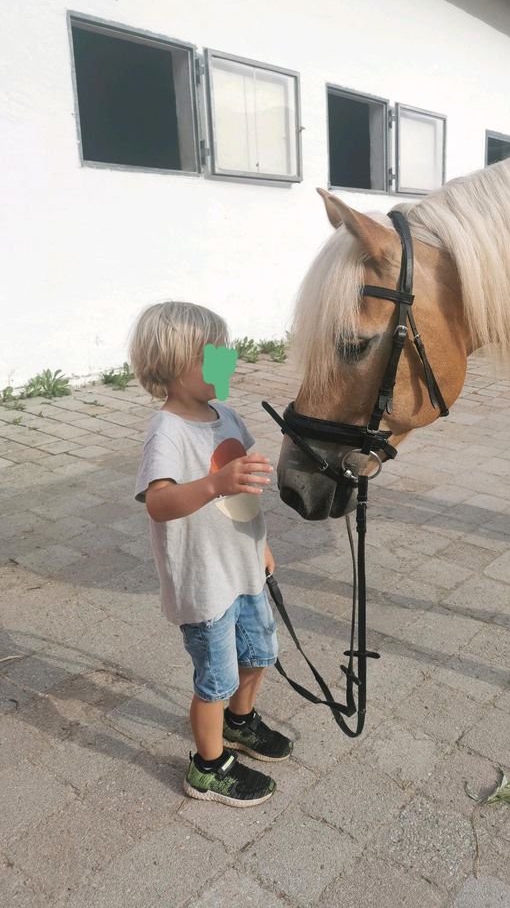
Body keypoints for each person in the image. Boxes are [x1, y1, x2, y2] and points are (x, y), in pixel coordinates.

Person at [129, 301, 292, 808]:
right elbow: (158, 503)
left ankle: (240, 725)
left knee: (260, 653)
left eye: (227, 353)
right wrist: (213, 483)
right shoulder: (168, 431)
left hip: (243, 568)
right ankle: (208, 766)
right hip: (205, 585)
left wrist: (260, 543)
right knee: (215, 680)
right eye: (213, 357)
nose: (228, 364)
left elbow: (242, 492)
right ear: (174, 366)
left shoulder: (229, 416)